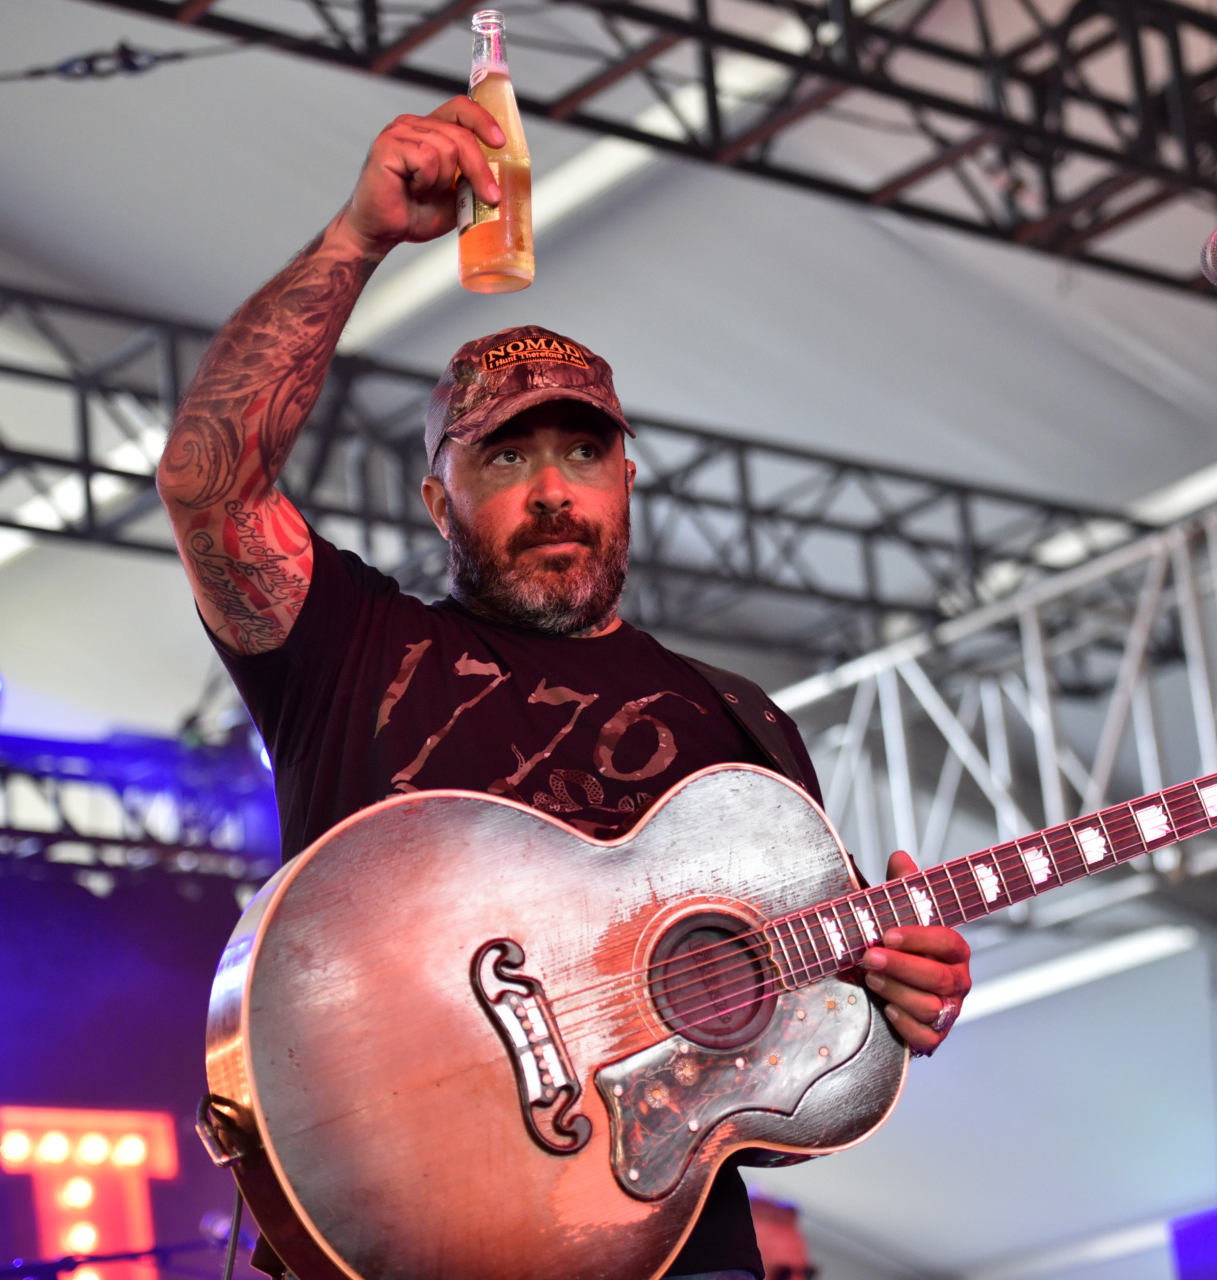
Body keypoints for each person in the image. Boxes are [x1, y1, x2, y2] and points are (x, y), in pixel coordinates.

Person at [156, 96, 973, 1280]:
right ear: (438, 500)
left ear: (626, 478)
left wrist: (900, 997)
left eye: (583, 452)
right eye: (506, 455)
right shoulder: (353, 647)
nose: (552, 490)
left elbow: (776, 1066)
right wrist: (356, 237)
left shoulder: (741, 725)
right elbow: (207, 485)